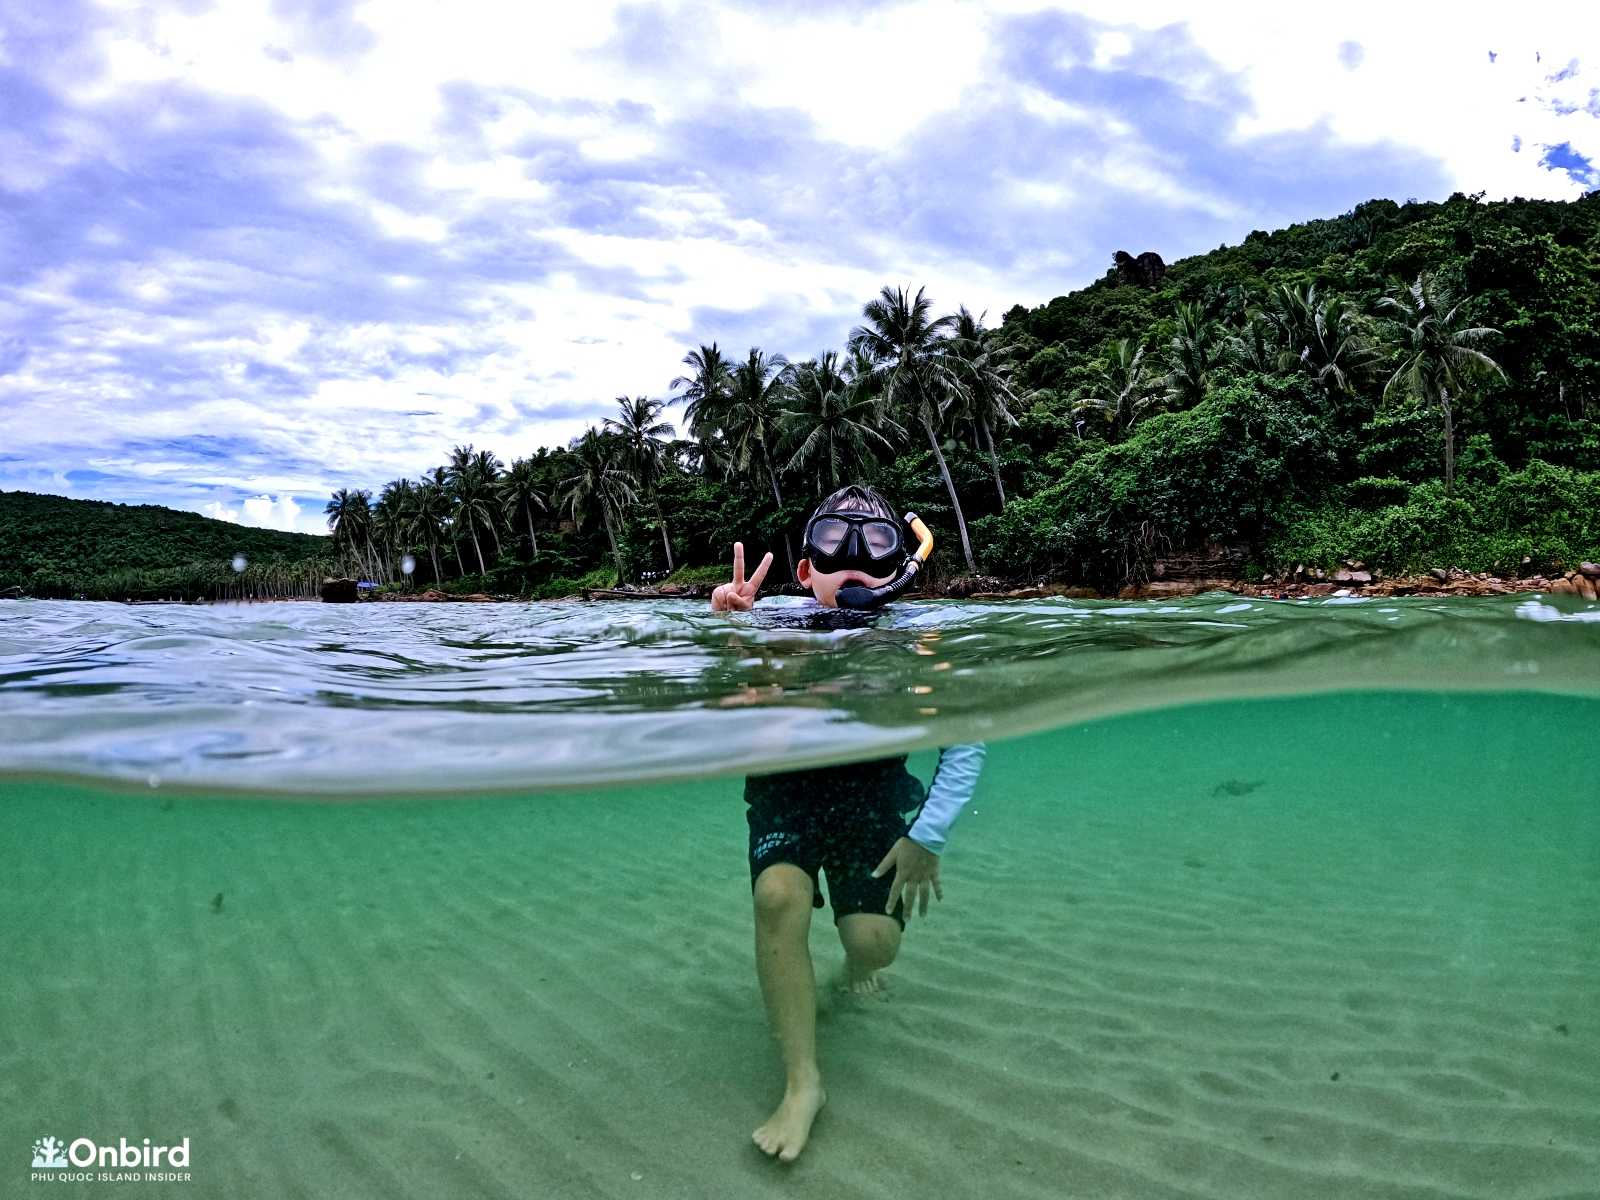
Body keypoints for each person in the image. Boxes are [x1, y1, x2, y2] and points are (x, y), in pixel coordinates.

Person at [711, 483, 987, 1162]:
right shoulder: (772, 628)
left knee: (875, 943)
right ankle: (804, 1084)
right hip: (787, 789)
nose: (856, 561)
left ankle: (847, 971)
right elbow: (723, 703)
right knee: (779, 898)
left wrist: (927, 834)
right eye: (834, 544)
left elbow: (967, 736)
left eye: (878, 545)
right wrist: (726, 632)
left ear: (900, 566)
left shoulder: (920, 643)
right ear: (806, 571)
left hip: (873, 795)